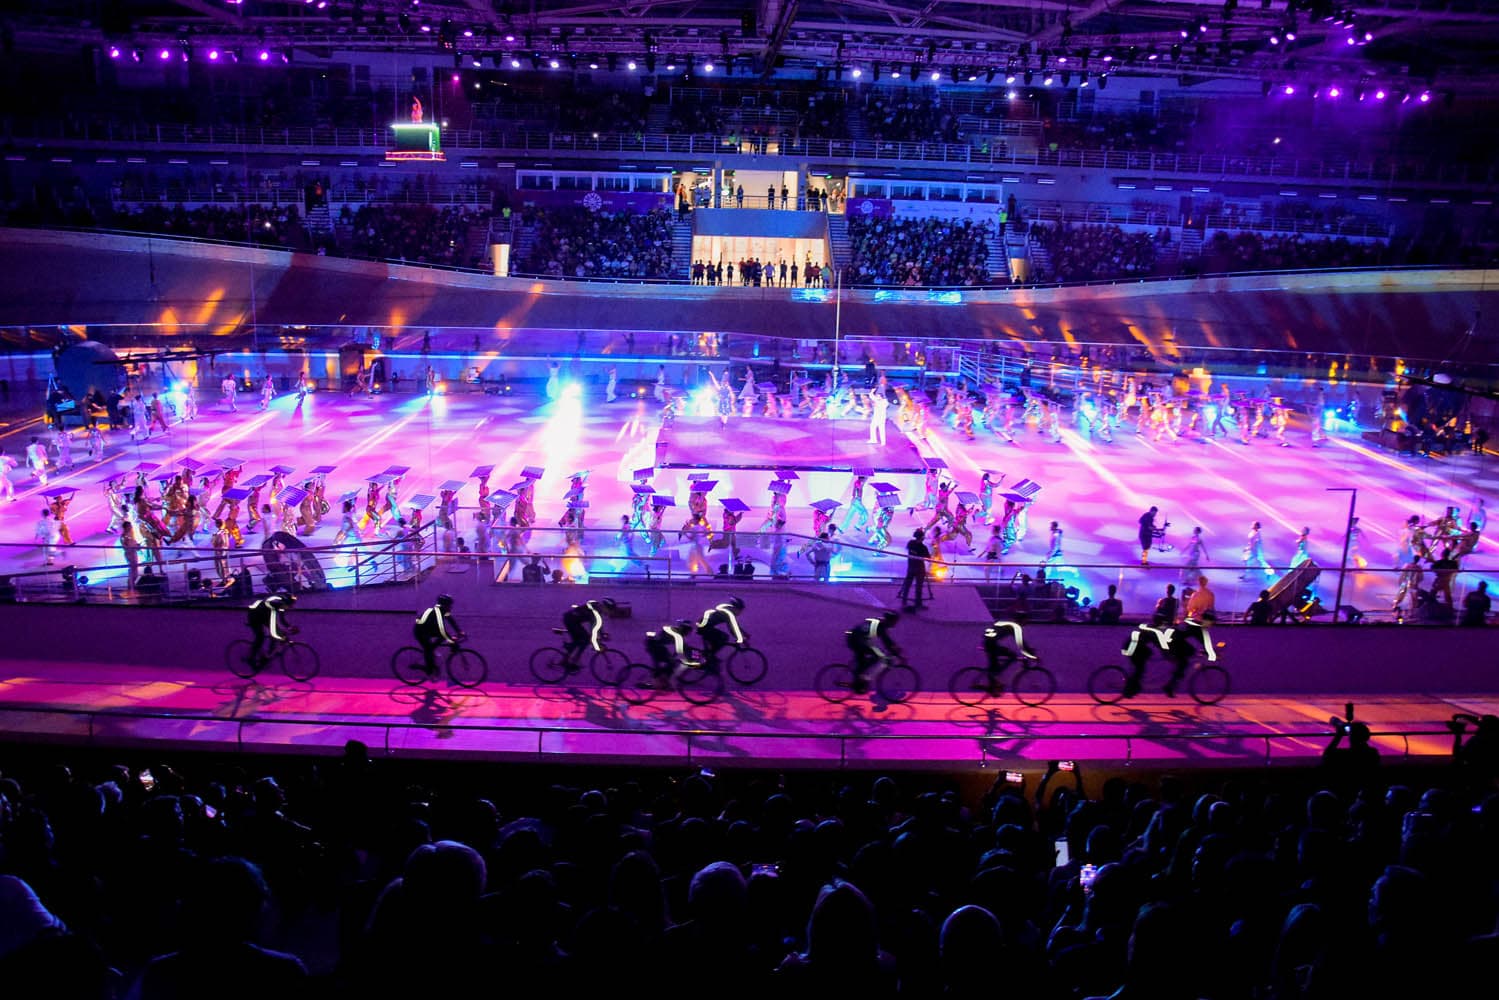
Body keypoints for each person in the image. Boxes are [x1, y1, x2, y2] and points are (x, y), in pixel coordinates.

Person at [847, 610, 901, 695]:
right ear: (890, 620)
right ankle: (860, 680)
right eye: (894, 622)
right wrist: (896, 653)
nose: (895, 624)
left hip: (857, 638)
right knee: (877, 656)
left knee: (869, 657)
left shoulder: (880, 623)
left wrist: (894, 649)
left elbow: (887, 641)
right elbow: (887, 642)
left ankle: (860, 680)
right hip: (857, 640)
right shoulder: (881, 626)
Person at [980, 615, 1038, 694]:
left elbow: (1022, 644)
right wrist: (1032, 656)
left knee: (995, 665)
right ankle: (993, 682)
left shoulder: (1008, 623)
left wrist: (1028, 651)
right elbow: (1021, 645)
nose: (1026, 623)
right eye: (1025, 621)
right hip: (990, 644)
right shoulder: (1016, 626)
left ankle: (994, 683)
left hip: (988, 642)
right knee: (1012, 656)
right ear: (1021, 621)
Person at [413, 594, 463, 677]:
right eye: (449, 605)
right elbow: (442, 630)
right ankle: (429, 670)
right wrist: (451, 641)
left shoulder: (444, 611)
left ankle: (432, 650)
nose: (451, 607)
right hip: (420, 631)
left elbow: (451, 621)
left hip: (429, 629)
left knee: (439, 640)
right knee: (428, 648)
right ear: (445, 605)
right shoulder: (437, 613)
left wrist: (460, 631)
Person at [561, 597, 616, 669]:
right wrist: (597, 645)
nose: (610, 613)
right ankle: (573, 661)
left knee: (580, 640)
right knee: (585, 639)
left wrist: (602, 634)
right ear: (605, 607)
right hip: (570, 620)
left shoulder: (597, 608)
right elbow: (594, 630)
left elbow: (597, 625)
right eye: (610, 610)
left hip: (573, 620)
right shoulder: (596, 612)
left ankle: (566, 660)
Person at [246, 593, 296, 671]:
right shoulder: (274, 606)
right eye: (290, 605)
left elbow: (282, 619)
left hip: (263, 615)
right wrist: (282, 638)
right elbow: (273, 631)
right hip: (254, 616)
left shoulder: (281, 604)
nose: (291, 607)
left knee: (277, 633)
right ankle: (250, 658)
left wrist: (290, 627)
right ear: (285, 603)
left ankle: (267, 656)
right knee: (261, 637)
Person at [644, 618, 698, 686]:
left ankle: (661, 678)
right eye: (688, 631)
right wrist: (687, 662)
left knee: (669, 662)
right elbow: (680, 651)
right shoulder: (677, 635)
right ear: (684, 629)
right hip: (654, 645)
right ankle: (657, 682)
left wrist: (690, 653)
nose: (688, 633)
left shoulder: (676, 631)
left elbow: (684, 646)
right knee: (671, 663)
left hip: (656, 644)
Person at [696, 596, 746, 669]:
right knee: (723, 637)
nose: (740, 612)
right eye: (740, 610)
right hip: (704, 627)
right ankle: (708, 657)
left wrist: (744, 634)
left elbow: (735, 626)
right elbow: (732, 628)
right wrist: (741, 639)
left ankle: (709, 656)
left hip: (705, 626)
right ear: (735, 608)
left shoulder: (728, 611)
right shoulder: (728, 614)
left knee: (719, 639)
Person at [898, 528, 930, 609]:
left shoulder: (910, 543)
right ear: (922, 538)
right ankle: (918, 603)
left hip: (911, 567)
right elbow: (928, 557)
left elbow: (908, 549)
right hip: (919, 569)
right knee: (918, 587)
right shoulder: (923, 547)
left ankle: (904, 601)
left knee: (907, 585)